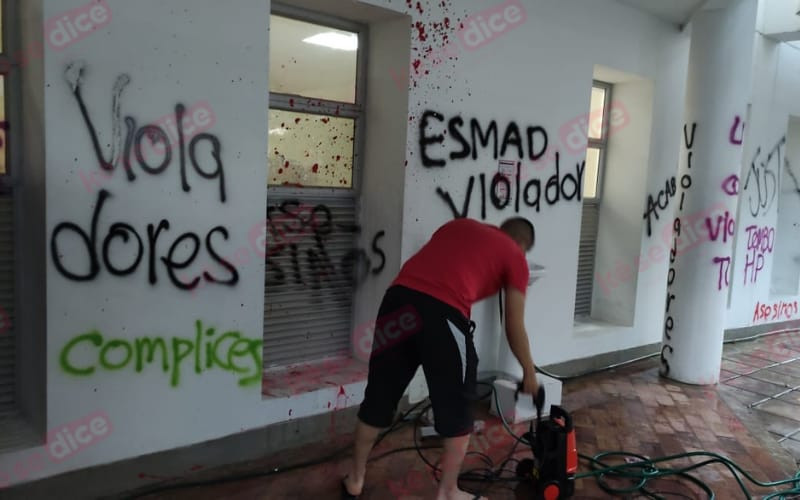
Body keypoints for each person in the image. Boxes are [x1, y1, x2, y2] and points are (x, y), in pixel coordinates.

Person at [341, 216, 540, 500]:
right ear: (521, 244)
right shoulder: (515, 256)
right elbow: (513, 325)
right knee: (457, 405)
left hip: (396, 303)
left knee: (378, 397)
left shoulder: (458, 225)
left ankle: (355, 480)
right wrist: (529, 373)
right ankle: (448, 492)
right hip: (443, 313)